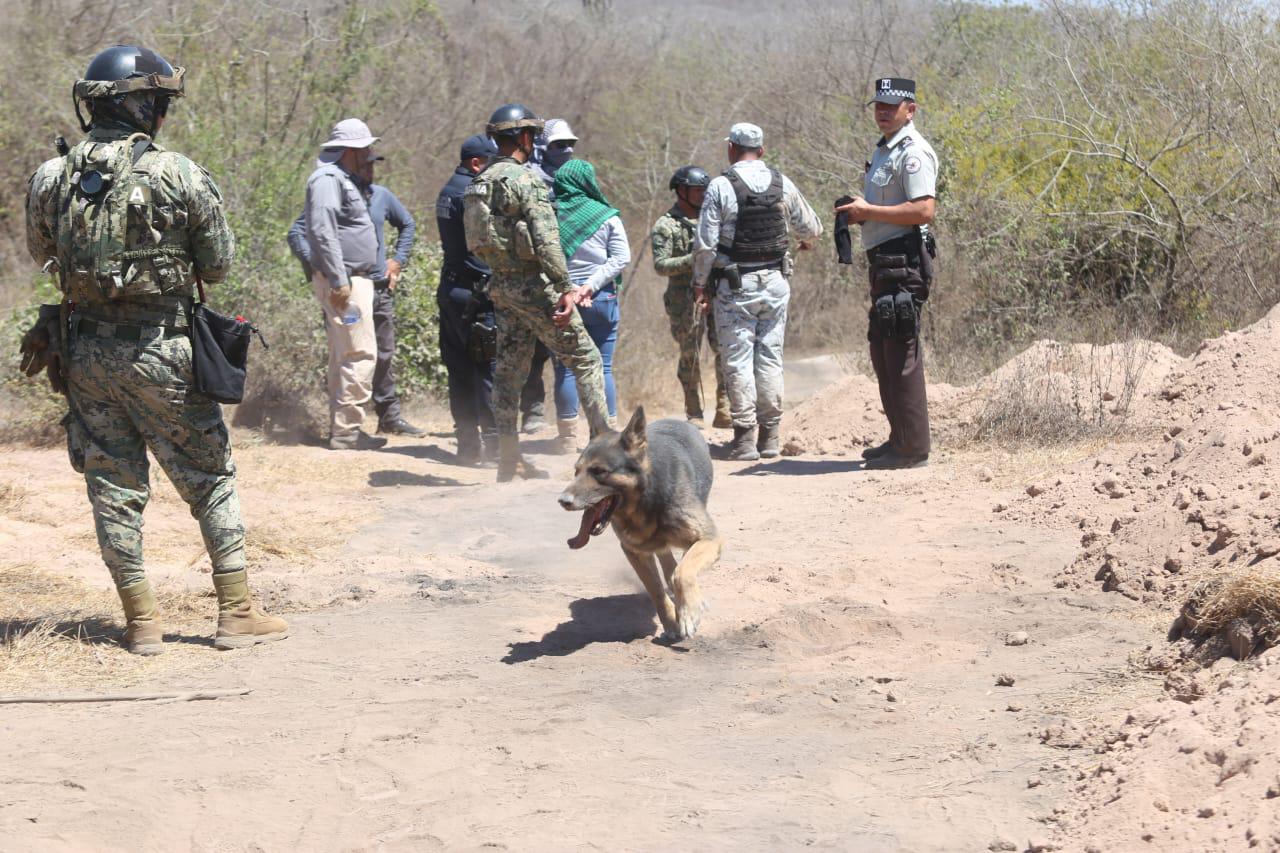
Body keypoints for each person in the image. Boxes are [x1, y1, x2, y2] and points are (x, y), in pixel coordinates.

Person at [21, 44, 287, 654]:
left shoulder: (49, 177)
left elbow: (43, 256)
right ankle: (236, 614)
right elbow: (217, 266)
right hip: (163, 348)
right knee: (211, 477)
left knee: (112, 487)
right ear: (146, 106)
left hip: (85, 352)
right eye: (161, 102)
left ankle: (142, 624)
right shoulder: (179, 173)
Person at [463, 104, 610, 482]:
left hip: (502, 286)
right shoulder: (524, 180)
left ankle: (508, 461)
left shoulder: (480, 180)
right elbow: (546, 241)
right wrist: (564, 287)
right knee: (587, 360)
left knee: (510, 373)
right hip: (534, 286)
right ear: (524, 137)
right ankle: (603, 458)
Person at [693, 122, 822, 461]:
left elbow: (705, 245)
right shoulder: (782, 183)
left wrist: (698, 284)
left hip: (735, 286)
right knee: (770, 357)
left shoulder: (721, 186)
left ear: (731, 149)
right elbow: (811, 226)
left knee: (738, 361)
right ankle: (770, 438)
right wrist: (801, 240)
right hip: (776, 283)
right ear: (761, 151)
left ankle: (745, 439)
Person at [835, 77, 938, 469]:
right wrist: (860, 214)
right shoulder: (885, 150)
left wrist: (869, 212)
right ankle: (899, 439)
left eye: (891, 106)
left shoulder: (913, 153)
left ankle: (913, 449)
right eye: (878, 105)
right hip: (884, 260)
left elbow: (924, 210)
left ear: (910, 110)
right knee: (883, 352)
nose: (882, 111)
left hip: (903, 260)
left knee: (901, 352)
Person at [286, 150, 424, 438]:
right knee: (348, 354)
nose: (370, 170)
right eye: (365, 164)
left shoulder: (382, 196)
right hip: (344, 290)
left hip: (379, 288)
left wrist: (397, 260)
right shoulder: (335, 195)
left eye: (373, 164)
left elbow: (408, 224)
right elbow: (298, 233)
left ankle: (389, 417)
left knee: (382, 353)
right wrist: (318, 264)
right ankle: (345, 426)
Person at [303, 118, 390, 451]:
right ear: (351, 151)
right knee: (359, 355)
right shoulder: (328, 180)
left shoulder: (340, 179)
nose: (369, 152)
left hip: (351, 278)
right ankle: (347, 432)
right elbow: (322, 230)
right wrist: (339, 280)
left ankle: (345, 428)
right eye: (365, 147)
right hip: (346, 281)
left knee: (345, 356)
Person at [550, 159, 630, 452]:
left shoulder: (549, 216)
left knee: (566, 369)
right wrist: (590, 286)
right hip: (601, 298)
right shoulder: (607, 216)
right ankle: (606, 436)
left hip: (562, 301)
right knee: (604, 367)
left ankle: (568, 438)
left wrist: (571, 288)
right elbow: (620, 259)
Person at [435, 133, 499, 465]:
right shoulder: (470, 194)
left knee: (459, 370)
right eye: (491, 164)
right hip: (475, 294)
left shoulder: (449, 189)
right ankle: (492, 448)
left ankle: (466, 446)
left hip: (451, 290)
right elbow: (480, 255)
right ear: (476, 163)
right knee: (487, 369)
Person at [652, 166, 730, 428]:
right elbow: (661, 265)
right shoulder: (666, 225)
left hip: (718, 293)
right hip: (683, 299)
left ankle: (724, 406)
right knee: (690, 354)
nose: (701, 195)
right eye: (696, 190)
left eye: (704, 191)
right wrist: (694, 258)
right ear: (681, 191)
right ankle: (694, 409)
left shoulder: (714, 219)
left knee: (725, 349)